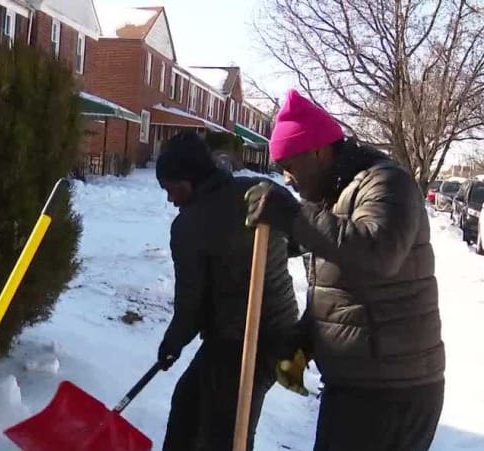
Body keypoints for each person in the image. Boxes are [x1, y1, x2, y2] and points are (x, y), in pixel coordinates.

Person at [245, 89, 446, 451]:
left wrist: (293, 215)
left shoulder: (386, 183)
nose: (288, 178)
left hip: (392, 389)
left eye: (290, 165)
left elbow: (378, 254)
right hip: (358, 383)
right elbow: (345, 290)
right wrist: (304, 341)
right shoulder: (333, 199)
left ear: (320, 152)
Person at [155, 131, 300, 450]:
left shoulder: (189, 226)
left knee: (224, 432)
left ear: (188, 179)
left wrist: (172, 342)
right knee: (189, 404)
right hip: (279, 334)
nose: (169, 199)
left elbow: (191, 305)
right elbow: (302, 239)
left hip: (248, 339)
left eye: (169, 188)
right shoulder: (260, 190)